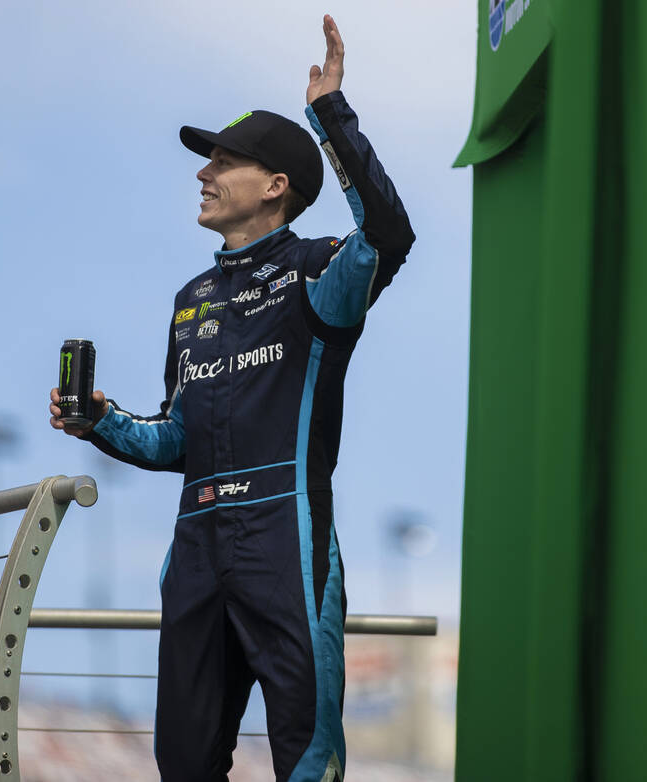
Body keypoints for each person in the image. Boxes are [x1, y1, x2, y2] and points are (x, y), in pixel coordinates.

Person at [48, 15, 414, 782]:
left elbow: (388, 231)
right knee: (182, 766)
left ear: (277, 186)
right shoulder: (192, 299)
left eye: (225, 159)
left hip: (287, 540)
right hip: (197, 550)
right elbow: (176, 439)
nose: (202, 172)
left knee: (307, 763)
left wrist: (332, 117)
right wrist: (101, 423)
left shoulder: (320, 272)